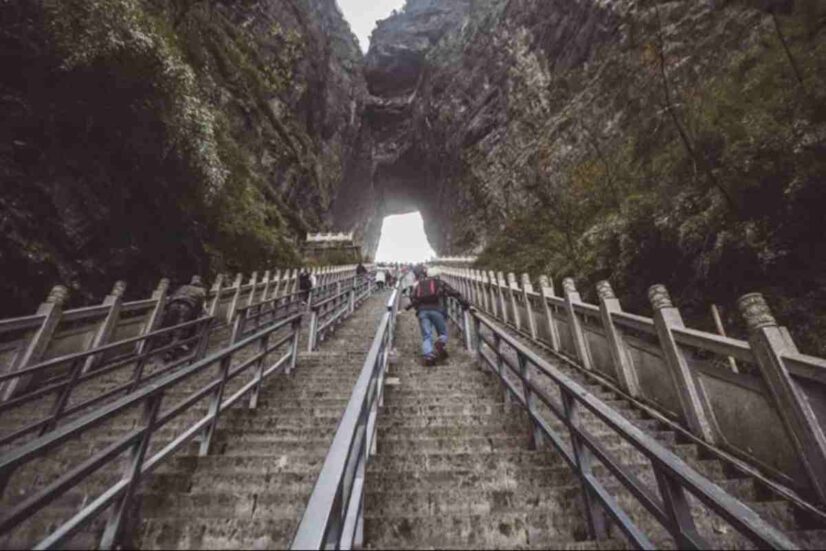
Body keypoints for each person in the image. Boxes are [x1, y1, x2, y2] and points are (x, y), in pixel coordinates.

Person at [405, 265, 469, 366]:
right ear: (437, 275)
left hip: (422, 312)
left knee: (427, 336)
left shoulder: (419, 284)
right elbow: (453, 293)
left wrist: (418, 309)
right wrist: (465, 304)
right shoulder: (440, 283)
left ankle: (428, 354)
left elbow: (413, 297)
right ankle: (440, 342)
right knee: (442, 333)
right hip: (437, 311)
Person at [159, 276, 207, 361]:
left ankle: (162, 348)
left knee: (168, 326)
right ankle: (170, 352)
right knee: (179, 330)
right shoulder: (201, 291)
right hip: (186, 307)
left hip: (173, 305)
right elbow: (199, 307)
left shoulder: (183, 287)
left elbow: (171, 297)